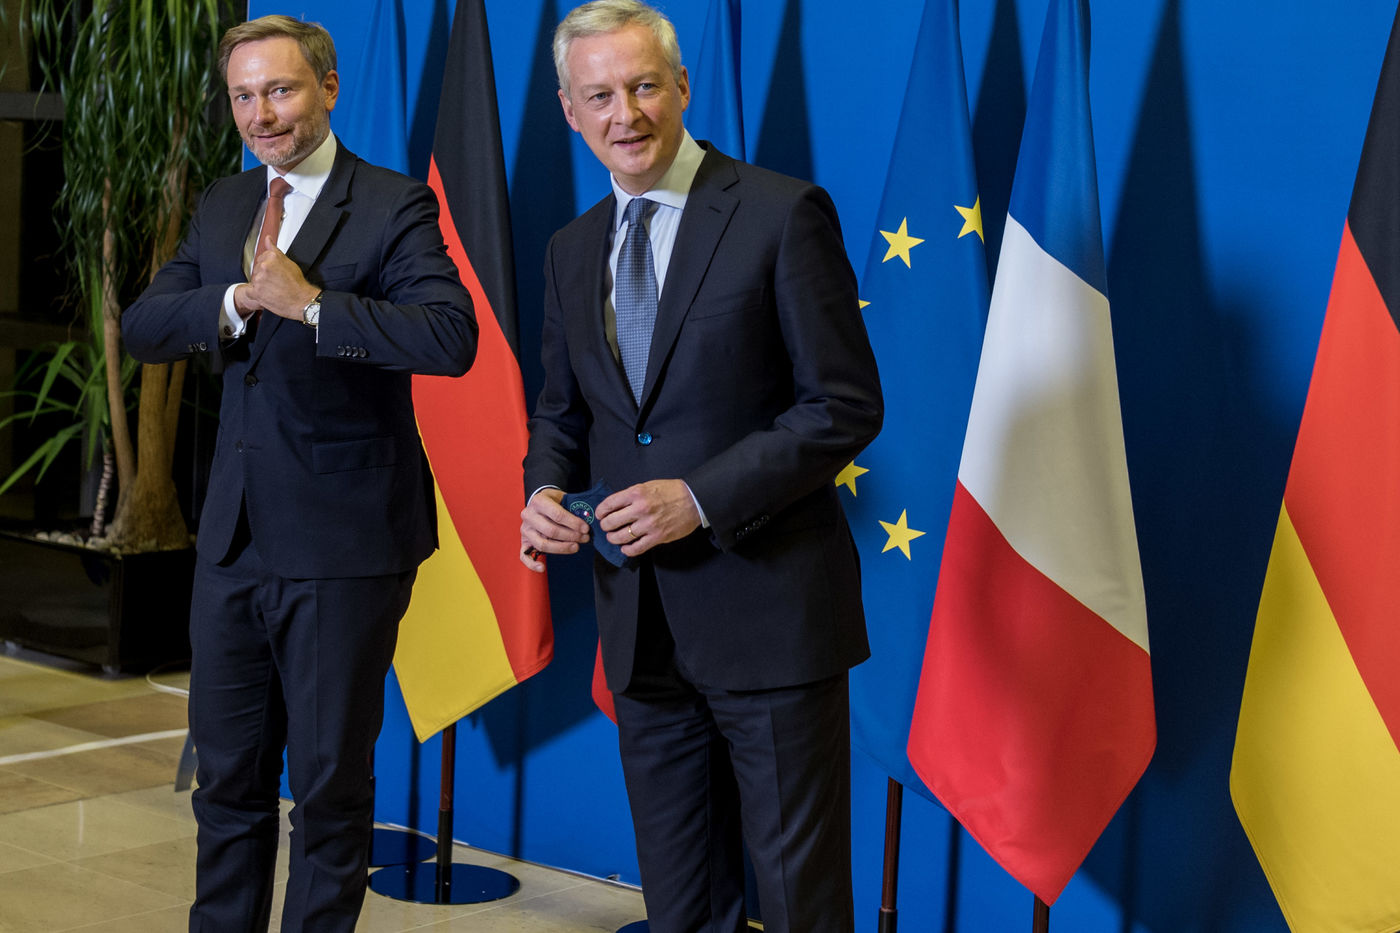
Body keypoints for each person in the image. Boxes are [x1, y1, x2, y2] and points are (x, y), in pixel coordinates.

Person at [519, 2, 883, 930]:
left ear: (681, 87)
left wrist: (699, 497)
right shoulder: (570, 249)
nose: (625, 114)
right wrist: (544, 489)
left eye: (643, 86)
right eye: (600, 95)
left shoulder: (780, 213)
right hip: (640, 626)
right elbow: (563, 412)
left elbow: (844, 404)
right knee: (681, 904)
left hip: (770, 617)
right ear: (569, 109)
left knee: (801, 902)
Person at [122, 15, 476, 932]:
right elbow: (145, 325)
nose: (261, 114)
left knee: (327, 790)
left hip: (344, 544)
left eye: (279, 90)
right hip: (233, 542)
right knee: (227, 782)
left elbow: (451, 338)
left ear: (328, 87)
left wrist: (314, 305)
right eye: (244, 96)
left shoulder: (394, 204)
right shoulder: (225, 204)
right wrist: (238, 299)